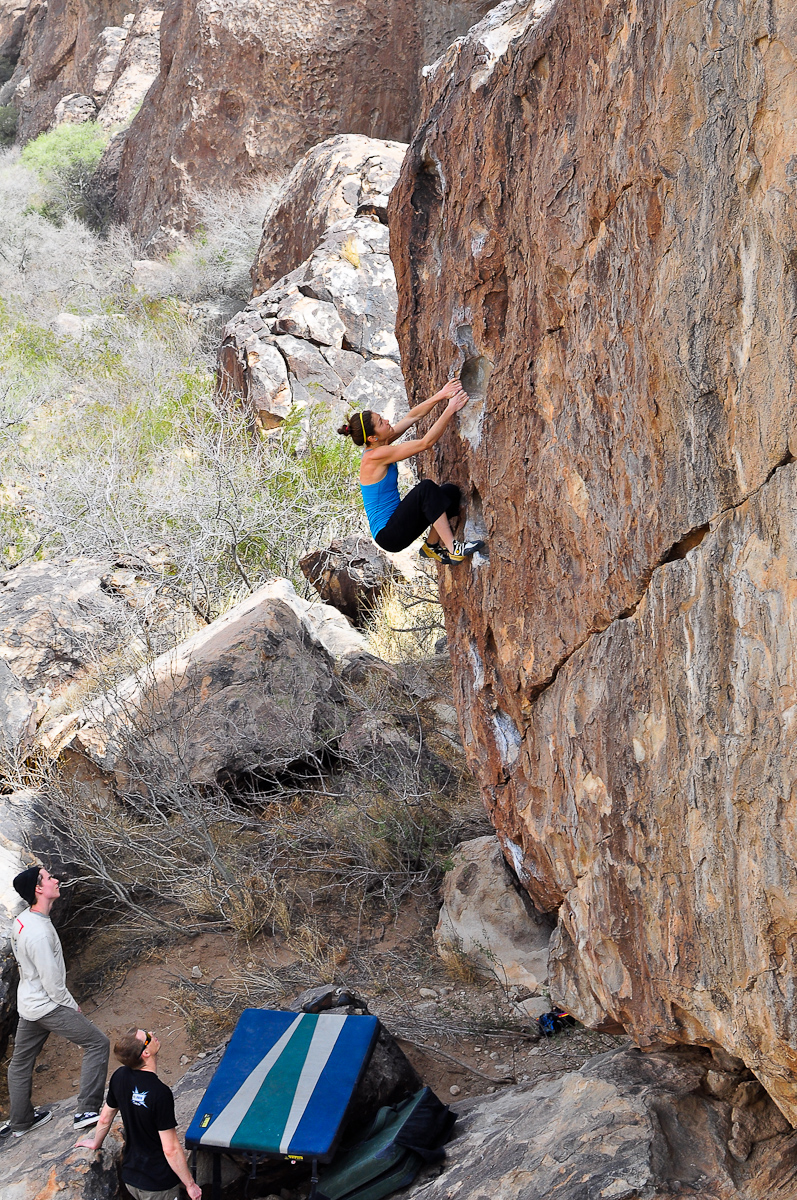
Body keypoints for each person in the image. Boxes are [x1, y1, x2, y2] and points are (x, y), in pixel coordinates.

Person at [2, 865, 110, 1137]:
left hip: (28, 1004)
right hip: (47, 1005)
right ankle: (86, 1110)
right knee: (98, 1043)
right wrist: (71, 1005)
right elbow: (52, 982)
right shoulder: (39, 933)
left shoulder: (23, 920)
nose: (56, 880)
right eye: (49, 878)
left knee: (20, 1063)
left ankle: (21, 1122)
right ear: (39, 889)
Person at [337, 378, 486, 564]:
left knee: (449, 493)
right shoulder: (375, 456)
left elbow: (412, 417)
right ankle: (454, 548)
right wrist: (450, 408)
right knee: (426, 489)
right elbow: (426, 443)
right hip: (389, 535)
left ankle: (431, 546)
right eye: (381, 422)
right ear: (373, 437)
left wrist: (441, 395)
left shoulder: (380, 443)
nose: (387, 420)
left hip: (397, 524)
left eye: (381, 417)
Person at [76, 1026, 202, 1200]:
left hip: (131, 1177)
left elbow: (105, 1117)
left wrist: (96, 1142)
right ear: (146, 1053)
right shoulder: (160, 1092)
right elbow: (171, 1148)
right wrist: (190, 1184)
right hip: (158, 1184)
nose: (153, 1035)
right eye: (148, 1037)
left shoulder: (119, 1076)